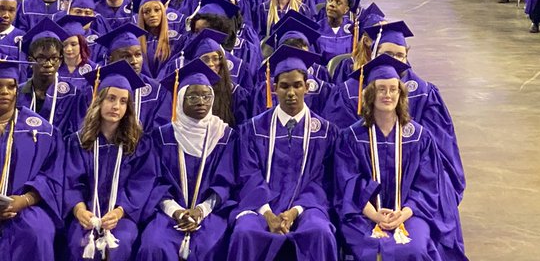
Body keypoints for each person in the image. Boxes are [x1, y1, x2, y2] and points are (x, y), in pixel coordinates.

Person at [333, 56, 464, 261]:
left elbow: (427, 186)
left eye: (393, 89)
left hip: (410, 213)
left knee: (415, 248)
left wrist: (403, 214)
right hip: (363, 214)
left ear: (401, 94)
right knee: (368, 248)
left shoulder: (419, 137)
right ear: (370, 94)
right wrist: (375, 215)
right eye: (381, 89)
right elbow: (348, 183)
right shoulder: (351, 137)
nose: (388, 95)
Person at [227, 46, 337, 261]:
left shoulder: (325, 132)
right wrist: (267, 214)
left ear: (307, 87)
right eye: (284, 86)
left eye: (297, 85)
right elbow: (248, 174)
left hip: (306, 206)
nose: (291, 93)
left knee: (319, 232)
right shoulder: (253, 129)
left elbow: (323, 181)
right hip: (259, 205)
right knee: (245, 232)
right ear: (274, 88)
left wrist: (294, 211)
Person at [137, 60, 238, 261]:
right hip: (168, 214)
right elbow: (154, 182)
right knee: (154, 244)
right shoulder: (161, 137)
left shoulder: (224, 136)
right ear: (180, 100)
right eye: (193, 96)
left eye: (206, 95)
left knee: (211, 245)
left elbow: (227, 183)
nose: (201, 102)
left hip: (211, 212)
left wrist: (201, 210)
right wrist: (176, 212)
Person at [63, 62, 154, 261]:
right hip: (85, 214)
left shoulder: (138, 144)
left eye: (123, 101)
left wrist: (120, 211)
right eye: (111, 99)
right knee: (76, 242)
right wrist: (79, 210)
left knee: (120, 245)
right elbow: (71, 181)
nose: (116, 106)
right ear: (99, 100)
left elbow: (141, 184)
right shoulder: (78, 141)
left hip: (122, 217)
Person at [0, 55, 62, 261]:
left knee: (38, 233)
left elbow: (52, 174)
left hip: (25, 207)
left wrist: (25, 200)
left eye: (11, 86)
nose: (5, 92)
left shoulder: (41, 130)